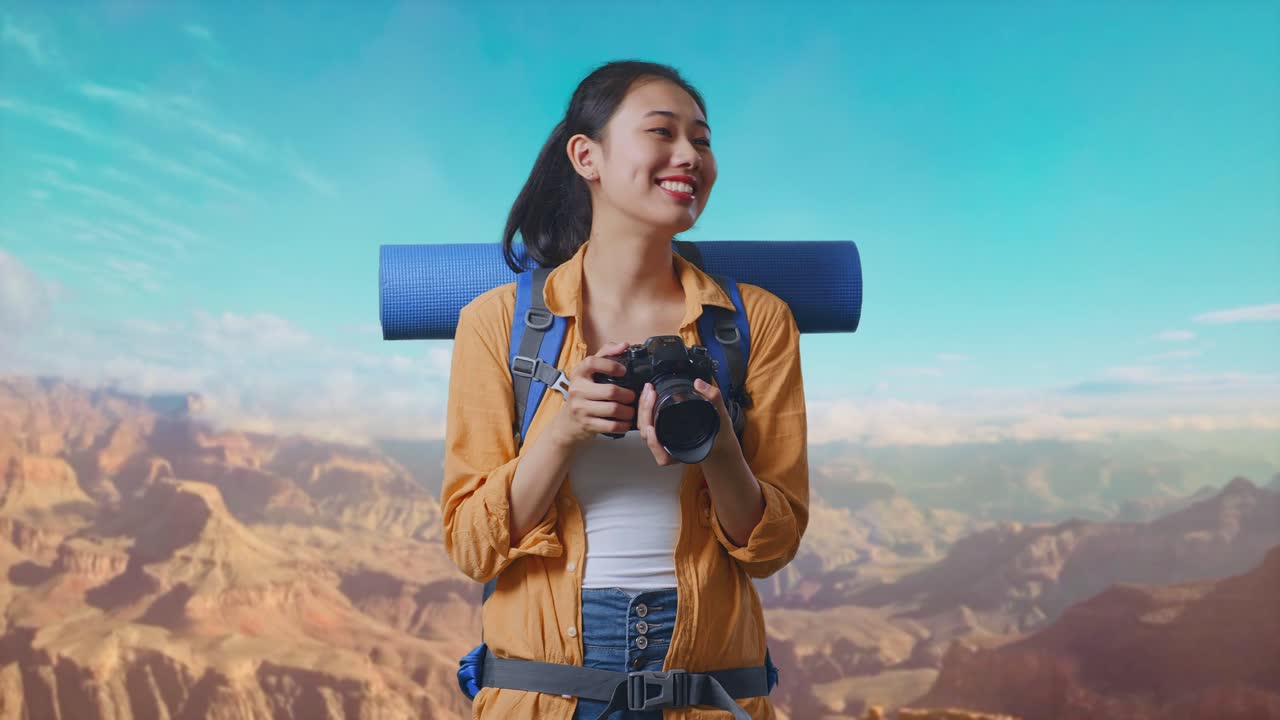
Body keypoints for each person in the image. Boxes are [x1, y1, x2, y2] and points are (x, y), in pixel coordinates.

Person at [441, 59, 809, 720]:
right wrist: (563, 431)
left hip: (708, 694)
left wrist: (719, 444)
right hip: (546, 694)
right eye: (662, 132)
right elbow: (472, 546)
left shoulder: (756, 324)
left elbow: (771, 549)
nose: (688, 154)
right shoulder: (497, 323)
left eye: (701, 139)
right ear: (588, 156)